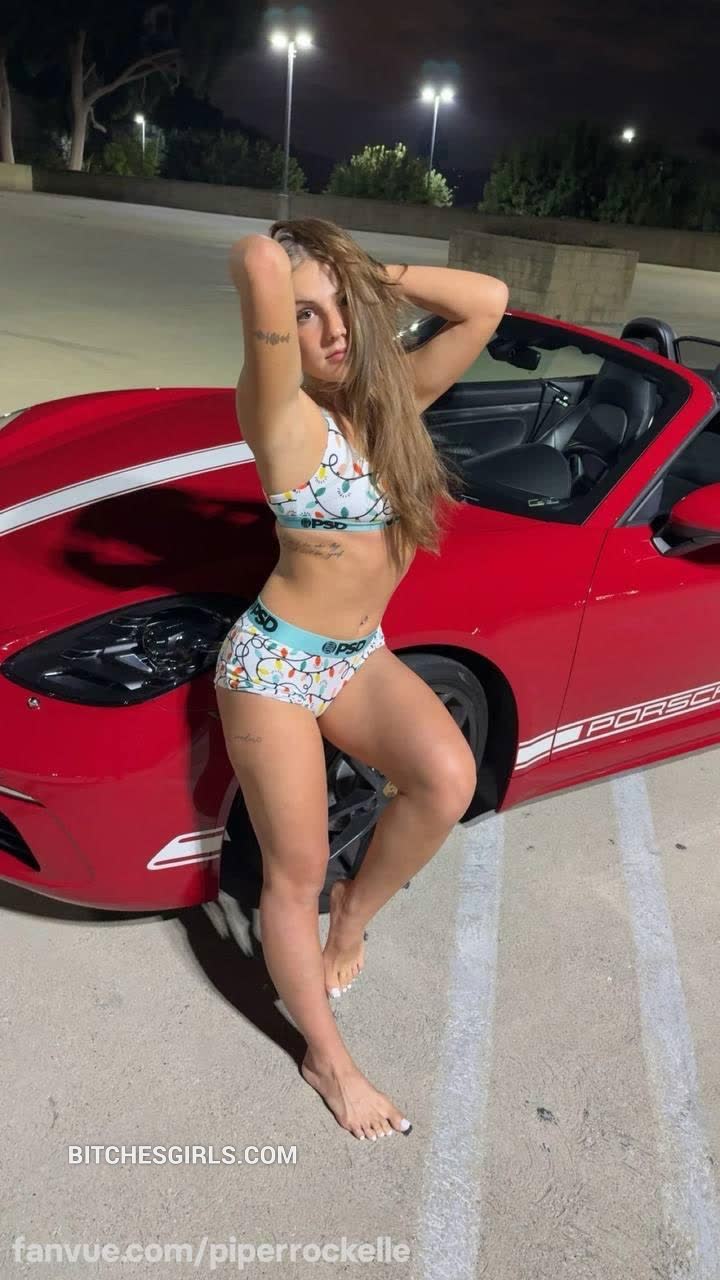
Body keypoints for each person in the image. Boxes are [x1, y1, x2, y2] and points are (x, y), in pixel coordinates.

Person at [214, 218, 509, 1142]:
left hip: (354, 656)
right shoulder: (282, 416)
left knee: (448, 780)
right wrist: (288, 270)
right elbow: (255, 260)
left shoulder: (389, 404)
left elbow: (487, 302)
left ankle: (353, 916)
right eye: (308, 316)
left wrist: (360, 274)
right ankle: (328, 1061)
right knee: (292, 875)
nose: (334, 329)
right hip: (275, 666)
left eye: (344, 308)